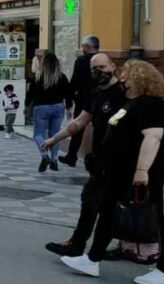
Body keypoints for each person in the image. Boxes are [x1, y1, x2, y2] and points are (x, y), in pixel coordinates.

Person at [60, 60, 164, 284]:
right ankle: (92, 260)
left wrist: (142, 171)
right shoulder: (131, 103)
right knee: (108, 212)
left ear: (140, 79)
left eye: (128, 75)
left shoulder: (151, 104)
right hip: (119, 171)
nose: (123, 79)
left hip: (142, 173)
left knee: (156, 217)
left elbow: (153, 137)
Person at [42, 53, 127, 258]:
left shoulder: (123, 93)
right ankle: (87, 247)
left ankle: (83, 248)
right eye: (94, 68)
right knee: (97, 203)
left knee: (99, 203)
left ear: (113, 66)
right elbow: (79, 122)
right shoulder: (96, 94)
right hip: (100, 159)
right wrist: (54, 139)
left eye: (102, 67)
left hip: (118, 159)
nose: (98, 72)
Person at [26, 52, 73, 173]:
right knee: (55, 135)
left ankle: (44, 156)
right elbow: (68, 93)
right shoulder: (61, 77)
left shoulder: (37, 77)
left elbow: (30, 94)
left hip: (41, 107)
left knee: (38, 135)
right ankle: (55, 160)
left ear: (43, 63)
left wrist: (26, 106)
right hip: (58, 107)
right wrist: (68, 107)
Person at [61, 35, 100, 167]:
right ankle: (98, 157)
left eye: (83, 46)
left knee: (77, 128)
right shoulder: (103, 60)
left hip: (84, 100)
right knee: (100, 129)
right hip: (100, 99)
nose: (82, 49)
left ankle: (72, 156)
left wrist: (69, 99)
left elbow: (75, 81)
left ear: (88, 47)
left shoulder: (81, 61)